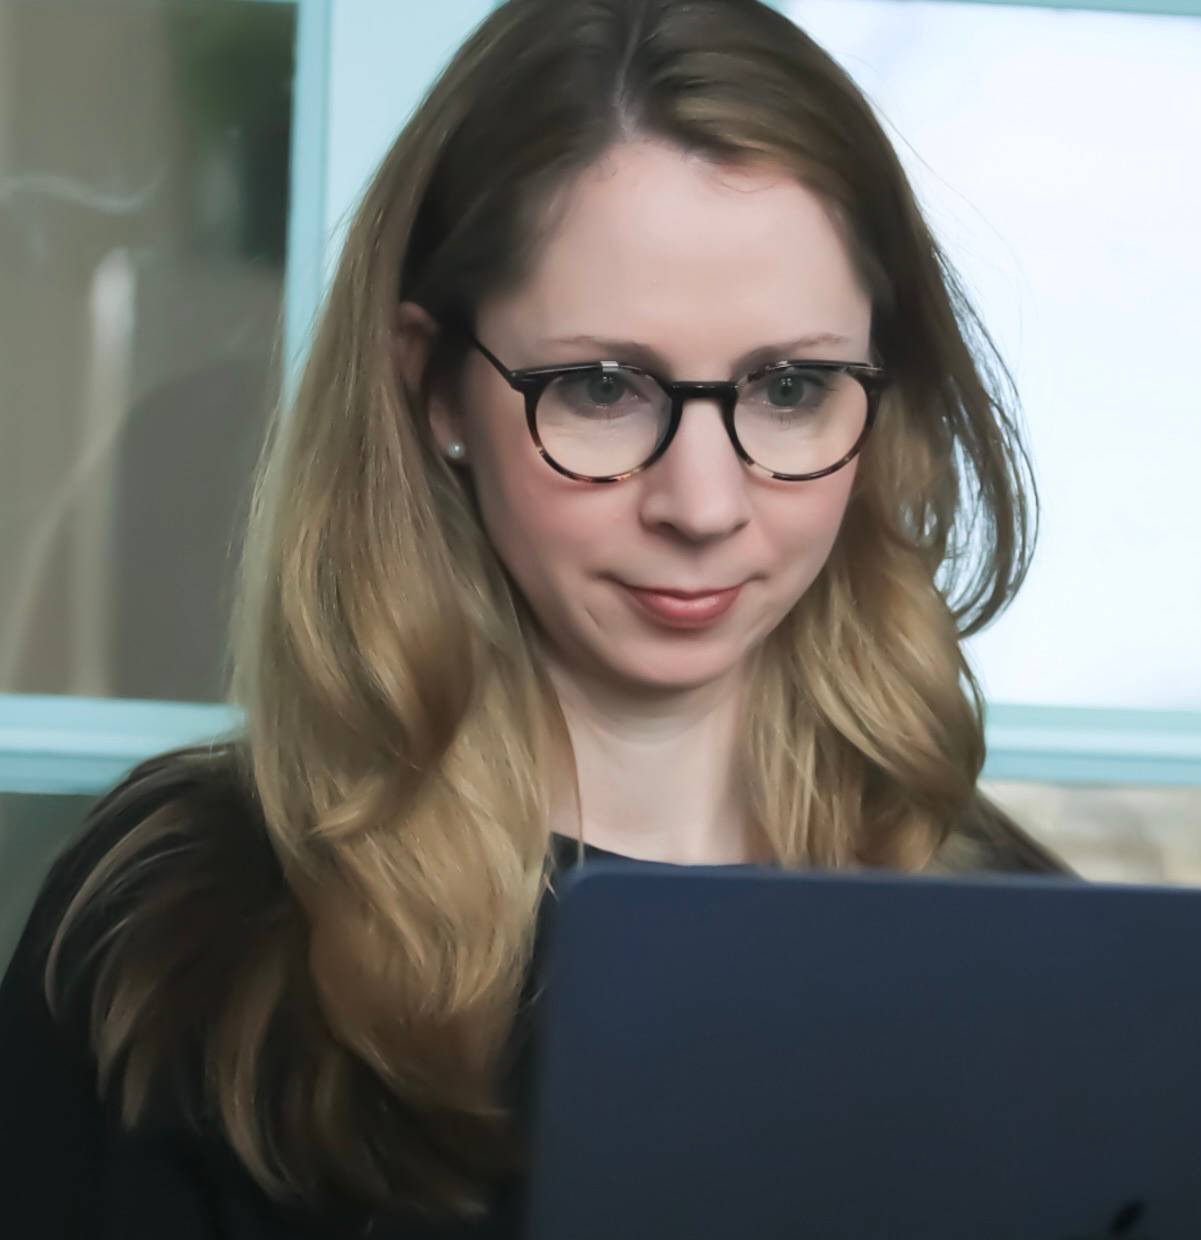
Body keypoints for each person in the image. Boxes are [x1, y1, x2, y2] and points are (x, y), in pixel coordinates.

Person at [0, 0, 1073, 1235]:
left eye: (790, 386)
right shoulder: (179, 931)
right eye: (604, 387)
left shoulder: (1019, 934)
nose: (704, 504)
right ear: (432, 385)